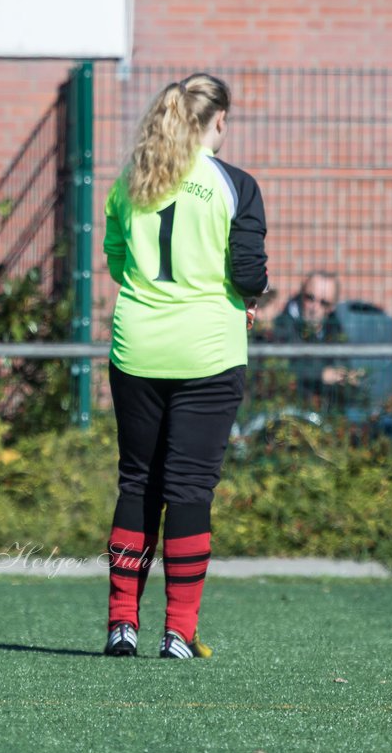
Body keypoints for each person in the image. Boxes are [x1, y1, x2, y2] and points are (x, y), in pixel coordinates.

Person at [101, 73, 268, 660]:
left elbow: (118, 263)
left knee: (137, 483)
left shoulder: (130, 182)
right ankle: (179, 631)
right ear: (217, 120)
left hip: (137, 348)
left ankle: (122, 624)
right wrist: (248, 297)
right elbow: (248, 275)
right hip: (209, 354)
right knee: (191, 488)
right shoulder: (234, 185)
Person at [271, 272, 346, 407]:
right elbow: (282, 369)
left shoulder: (335, 328)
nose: (314, 307)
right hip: (288, 406)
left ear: (332, 307)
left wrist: (348, 376)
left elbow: (343, 364)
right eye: (310, 298)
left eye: (324, 303)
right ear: (301, 294)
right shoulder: (282, 327)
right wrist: (321, 374)